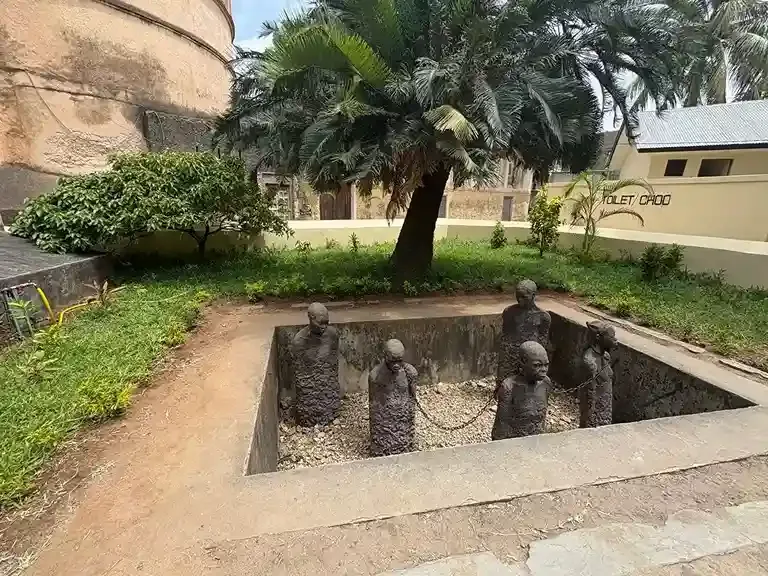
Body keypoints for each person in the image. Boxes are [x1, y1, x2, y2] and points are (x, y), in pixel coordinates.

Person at [492, 340, 551, 440]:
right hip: (515, 441)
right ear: (523, 363)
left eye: (546, 365)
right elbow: (501, 426)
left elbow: (542, 419)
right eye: (537, 365)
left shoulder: (546, 383)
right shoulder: (509, 387)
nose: (544, 370)